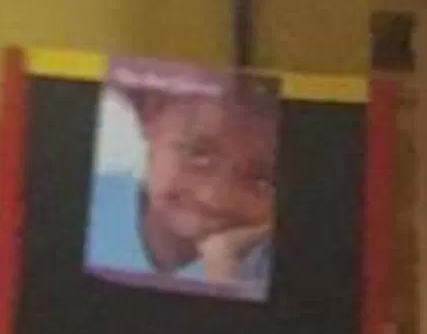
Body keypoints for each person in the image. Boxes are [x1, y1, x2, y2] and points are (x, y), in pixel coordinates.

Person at [85, 74, 280, 297]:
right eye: (198, 155)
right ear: (151, 115)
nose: (215, 198)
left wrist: (228, 279)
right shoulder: (90, 200)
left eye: (262, 179)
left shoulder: (260, 273)